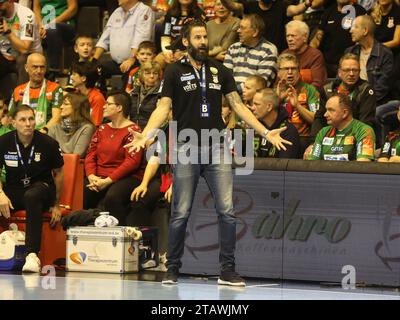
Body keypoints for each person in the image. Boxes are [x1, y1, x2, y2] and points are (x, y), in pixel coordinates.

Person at [125, 20, 291, 287]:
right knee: (181, 212)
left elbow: (238, 106)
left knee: (227, 211)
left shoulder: (220, 70)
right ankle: (173, 269)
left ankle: (227, 271)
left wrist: (264, 131)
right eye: (198, 37)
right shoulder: (173, 72)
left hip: (217, 146)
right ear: (187, 41)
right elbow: (163, 107)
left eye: (205, 37)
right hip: (185, 148)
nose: (204, 41)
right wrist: (146, 134)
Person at [0, 104, 64, 273]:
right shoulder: (4, 142)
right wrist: (0, 195)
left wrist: (57, 204)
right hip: (14, 188)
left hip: (41, 189)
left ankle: (31, 255)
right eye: (23, 120)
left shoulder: (48, 143)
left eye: (31, 119)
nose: (28, 123)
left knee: (32, 195)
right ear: (13, 123)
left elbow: (58, 174)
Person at [84, 91, 144, 226]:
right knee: (84, 191)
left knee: (113, 196)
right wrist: (91, 175)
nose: (104, 106)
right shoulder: (102, 129)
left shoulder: (133, 130)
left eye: (108, 104)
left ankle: (120, 234)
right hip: (100, 177)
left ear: (119, 107)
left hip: (126, 177)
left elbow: (132, 163)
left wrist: (108, 180)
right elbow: (91, 154)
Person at [311, 53, 376, 138]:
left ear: (359, 72)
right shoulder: (328, 89)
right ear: (339, 72)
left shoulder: (365, 90)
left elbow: (366, 122)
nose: (351, 74)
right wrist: (313, 143)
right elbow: (319, 119)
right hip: (330, 136)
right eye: (347, 70)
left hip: (355, 136)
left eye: (355, 70)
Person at [94, 0, 155, 86]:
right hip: (116, 62)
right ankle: (100, 96)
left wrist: (132, 59)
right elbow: (104, 38)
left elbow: (141, 39)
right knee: (97, 68)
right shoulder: (117, 12)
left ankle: (124, 97)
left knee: (130, 70)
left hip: (136, 61)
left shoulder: (144, 10)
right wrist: (94, 60)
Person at [307, 94, 375, 161]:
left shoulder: (364, 131)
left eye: (331, 110)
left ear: (345, 113)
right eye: (326, 110)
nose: (325, 115)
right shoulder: (323, 132)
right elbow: (312, 162)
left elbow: (363, 164)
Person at [275, 52, 320, 153]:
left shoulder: (310, 90)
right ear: (278, 72)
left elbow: (316, 119)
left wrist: (297, 106)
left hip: (302, 139)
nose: (290, 72)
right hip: (278, 137)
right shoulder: (273, 93)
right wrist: (277, 100)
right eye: (286, 69)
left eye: (294, 68)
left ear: (299, 71)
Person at [223, 14, 278, 94]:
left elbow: (261, 83)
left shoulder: (269, 50)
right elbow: (225, 77)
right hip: (231, 96)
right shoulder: (233, 48)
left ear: (255, 32)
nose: (238, 31)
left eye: (242, 28)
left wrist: (233, 91)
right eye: (239, 27)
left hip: (255, 99)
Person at [310, 0, 366, 77]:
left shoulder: (359, 11)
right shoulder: (329, 11)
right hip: (327, 64)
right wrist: (309, 54)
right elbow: (318, 37)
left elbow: (364, 38)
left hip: (349, 65)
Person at [346, 14, 394, 105]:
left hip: (375, 103)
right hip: (351, 100)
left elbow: (382, 87)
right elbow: (340, 78)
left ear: (365, 31)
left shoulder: (384, 54)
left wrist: (363, 102)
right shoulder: (350, 52)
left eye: (355, 27)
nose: (350, 30)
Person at [9, 53, 63, 132]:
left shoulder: (54, 88)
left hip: (45, 134)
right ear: (26, 68)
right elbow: (10, 117)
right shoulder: (18, 90)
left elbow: (57, 118)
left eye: (42, 67)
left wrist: (43, 131)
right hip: (21, 134)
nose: (39, 71)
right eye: (35, 67)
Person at [250, 88, 301, 158]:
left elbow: (284, 165)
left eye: (256, 104)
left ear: (269, 107)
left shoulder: (288, 131)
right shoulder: (253, 127)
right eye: (253, 104)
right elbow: (244, 159)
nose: (252, 108)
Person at [220, 0, 288, 52]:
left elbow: (295, 10)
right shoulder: (250, 5)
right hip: (250, 50)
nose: (239, 31)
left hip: (276, 52)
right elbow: (232, 6)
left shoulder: (282, 5)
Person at [33, 0, 78, 78]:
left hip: (65, 24)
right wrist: (41, 25)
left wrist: (51, 24)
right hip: (44, 25)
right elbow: (36, 8)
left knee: (52, 30)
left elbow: (73, 8)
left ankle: (53, 71)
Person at [0, 0, 42, 83]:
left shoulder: (27, 16)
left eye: (0, 4)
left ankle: (25, 94)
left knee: (22, 59)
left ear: (10, 1)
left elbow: (25, 48)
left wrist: (8, 33)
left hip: (28, 55)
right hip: (5, 56)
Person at [48, 92, 95, 158]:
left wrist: (57, 155)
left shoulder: (87, 128)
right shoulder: (55, 127)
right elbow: (47, 154)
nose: (61, 107)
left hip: (73, 166)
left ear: (77, 107)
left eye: (66, 104)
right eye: (62, 104)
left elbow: (77, 155)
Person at [282, 20, 327, 89]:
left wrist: (298, 95)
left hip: (308, 96)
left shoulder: (315, 55)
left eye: (293, 36)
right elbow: (279, 81)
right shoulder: (284, 54)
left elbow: (318, 84)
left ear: (305, 37)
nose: (289, 39)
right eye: (287, 36)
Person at [69, 61, 105, 126]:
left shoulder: (97, 98)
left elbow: (96, 125)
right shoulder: (75, 94)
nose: (71, 77)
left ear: (83, 78)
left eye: (74, 74)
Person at [129, 61, 162, 129]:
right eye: (147, 73)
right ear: (141, 75)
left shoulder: (162, 94)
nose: (152, 76)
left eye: (155, 73)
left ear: (159, 76)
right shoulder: (133, 93)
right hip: (134, 131)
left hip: (155, 133)